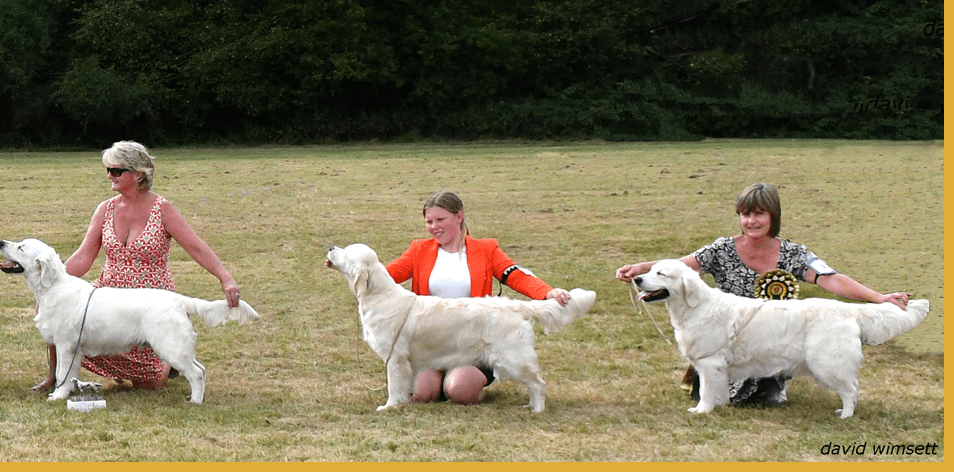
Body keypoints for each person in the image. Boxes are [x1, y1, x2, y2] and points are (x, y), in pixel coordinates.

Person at [615, 182, 910, 406]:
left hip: (772, 341)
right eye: (745, 214)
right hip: (722, 341)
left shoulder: (793, 253)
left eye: (759, 214)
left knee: (760, 400)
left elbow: (831, 281)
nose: (751, 221)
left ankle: (772, 382)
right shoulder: (721, 249)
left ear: (773, 217)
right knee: (712, 391)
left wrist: (879, 298)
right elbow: (678, 267)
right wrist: (640, 268)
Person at [30, 141, 242, 393]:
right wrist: (52, 288)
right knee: (63, 313)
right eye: (108, 170)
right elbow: (84, 257)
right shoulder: (105, 209)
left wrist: (225, 277)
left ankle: (166, 358)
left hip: (151, 301)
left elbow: (196, 247)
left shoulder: (162, 209)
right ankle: (55, 379)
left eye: (116, 171)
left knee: (149, 385)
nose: (109, 175)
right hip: (107, 296)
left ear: (137, 174)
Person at [387, 191, 573, 405]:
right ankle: (437, 380)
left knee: (458, 390)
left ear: (459, 216)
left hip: (475, 341)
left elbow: (515, 275)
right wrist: (353, 267)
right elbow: (385, 276)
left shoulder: (485, 249)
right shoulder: (418, 250)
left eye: (440, 220)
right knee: (424, 394)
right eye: (429, 221)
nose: (433, 227)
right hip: (432, 342)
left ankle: (466, 384)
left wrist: (547, 292)